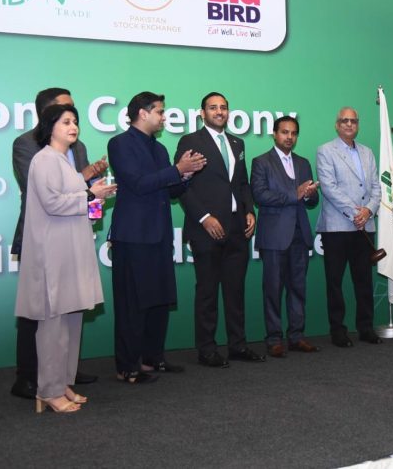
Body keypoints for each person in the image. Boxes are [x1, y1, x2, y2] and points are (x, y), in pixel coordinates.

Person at [15, 104, 116, 413]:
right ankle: (47, 390)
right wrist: (90, 195)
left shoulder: (65, 161)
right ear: (50, 127)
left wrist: (95, 197)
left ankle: (62, 383)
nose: (73, 127)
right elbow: (52, 203)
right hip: (53, 254)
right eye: (66, 122)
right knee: (53, 327)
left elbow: (78, 204)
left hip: (73, 251)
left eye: (75, 122)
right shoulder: (44, 159)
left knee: (71, 323)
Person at [108, 92, 206, 383]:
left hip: (159, 233)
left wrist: (185, 176)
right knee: (132, 303)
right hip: (133, 235)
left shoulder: (160, 148)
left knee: (159, 299)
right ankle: (128, 366)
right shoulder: (120, 144)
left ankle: (153, 358)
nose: (164, 117)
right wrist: (177, 170)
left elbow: (170, 190)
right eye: (160, 112)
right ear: (142, 113)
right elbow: (138, 184)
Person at [175, 92, 263, 367]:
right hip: (206, 230)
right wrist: (204, 218)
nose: (219, 111)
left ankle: (238, 345)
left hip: (237, 229)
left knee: (235, 292)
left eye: (223, 107)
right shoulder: (190, 141)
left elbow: (242, 183)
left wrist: (249, 210)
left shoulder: (237, 143)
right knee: (207, 292)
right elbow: (182, 186)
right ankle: (207, 349)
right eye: (213, 108)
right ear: (202, 113)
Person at [250, 116, 321, 358]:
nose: (289, 137)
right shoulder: (261, 162)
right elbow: (260, 195)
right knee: (272, 290)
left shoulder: (303, 163)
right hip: (274, 237)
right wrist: (295, 194)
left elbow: (311, 200)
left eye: (293, 133)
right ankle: (273, 340)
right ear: (274, 134)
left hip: (299, 235)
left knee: (298, 289)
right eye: (284, 132)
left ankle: (297, 337)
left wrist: (309, 195)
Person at [316, 107, 382, 347]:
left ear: (358, 125)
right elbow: (329, 188)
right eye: (344, 120)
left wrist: (369, 211)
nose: (349, 124)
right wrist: (356, 213)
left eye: (353, 121)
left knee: (364, 281)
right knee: (335, 283)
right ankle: (338, 331)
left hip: (365, 226)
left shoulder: (367, 152)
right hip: (337, 227)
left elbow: (376, 187)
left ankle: (366, 328)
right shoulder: (325, 150)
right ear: (337, 125)